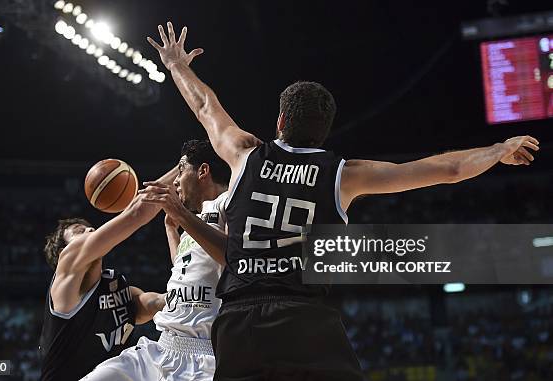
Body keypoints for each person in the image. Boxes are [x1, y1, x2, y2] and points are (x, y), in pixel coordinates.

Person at [147, 22, 540, 380]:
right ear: (324, 133)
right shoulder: (344, 174)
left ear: (280, 122)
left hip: (237, 319)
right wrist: (497, 149)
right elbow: (447, 169)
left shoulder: (243, 152)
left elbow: (204, 106)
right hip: (302, 317)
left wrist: (176, 64)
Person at [82, 140, 229, 381]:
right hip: (161, 347)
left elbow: (231, 256)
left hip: (203, 357)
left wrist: (180, 214)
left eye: (181, 171)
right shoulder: (196, 222)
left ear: (203, 171)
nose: (176, 182)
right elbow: (186, 268)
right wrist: (172, 228)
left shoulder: (230, 203)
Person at [38, 168, 177, 381]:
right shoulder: (67, 272)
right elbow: (136, 213)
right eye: (78, 231)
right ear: (62, 253)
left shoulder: (117, 286)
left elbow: (149, 303)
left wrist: (185, 297)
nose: (90, 230)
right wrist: (185, 164)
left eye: (88, 227)